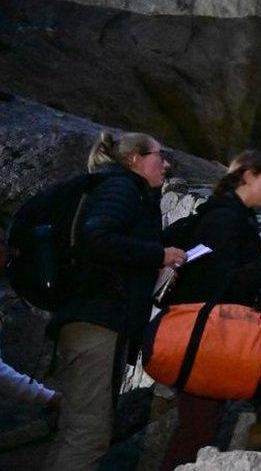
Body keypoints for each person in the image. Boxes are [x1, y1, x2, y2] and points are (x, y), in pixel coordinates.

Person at [158, 151, 261, 471]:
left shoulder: (233, 217)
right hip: (206, 335)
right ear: (247, 177)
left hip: (207, 332)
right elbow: (225, 283)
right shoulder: (225, 221)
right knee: (197, 430)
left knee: (199, 428)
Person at [46, 132, 186, 471]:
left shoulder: (122, 190)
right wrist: (159, 254)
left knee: (76, 430)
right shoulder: (122, 187)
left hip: (94, 321)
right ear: (135, 159)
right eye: (158, 155)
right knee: (88, 434)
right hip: (98, 323)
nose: (165, 163)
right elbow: (97, 236)